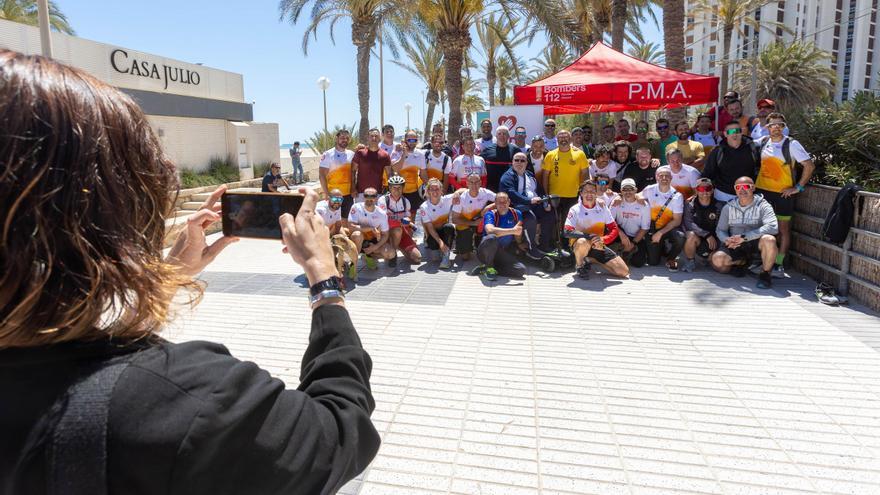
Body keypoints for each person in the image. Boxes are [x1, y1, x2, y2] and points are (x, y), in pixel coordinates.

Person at [0, 51, 379, 495]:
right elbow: (338, 431)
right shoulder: (187, 401)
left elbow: (68, 356)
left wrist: (167, 276)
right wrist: (323, 278)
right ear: (111, 214)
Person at [754, 112, 815, 277]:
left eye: (779, 124)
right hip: (763, 192)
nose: (776, 127)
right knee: (762, 229)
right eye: (772, 124)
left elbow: (809, 166)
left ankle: (779, 264)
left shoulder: (792, 144)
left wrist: (798, 188)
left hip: (783, 195)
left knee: (783, 230)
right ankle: (764, 260)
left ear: (784, 126)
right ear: (767, 127)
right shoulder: (762, 142)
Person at [711, 176, 779, 289]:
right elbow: (720, 230)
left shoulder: (763, 205)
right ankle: (743, 263)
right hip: (736, 243)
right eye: (738, 187)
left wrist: (745, 237)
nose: (742, 190)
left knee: (769, 239)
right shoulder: (728, 207)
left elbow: (773, 227)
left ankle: (765, 274)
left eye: (746, 186)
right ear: (735, 189)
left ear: (753, 188)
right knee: (718, 262)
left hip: (755, 242)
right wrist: (726, 239)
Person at [563, 180, 629, 279]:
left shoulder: (603, 207)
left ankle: (591, 259)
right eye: (586, 191)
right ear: (581, 193)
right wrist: (589, 236)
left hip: (598, 245)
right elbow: (567, 231)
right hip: (581, 244)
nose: (589, 194)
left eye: (592, 191)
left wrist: (603, 240)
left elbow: (614, 229)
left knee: (623, 272)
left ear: (596, 193)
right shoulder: (575, 209)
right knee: (582, 242)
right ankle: (580, 266)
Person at [500, 152, 555, 254]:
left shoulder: (529, 174)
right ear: (512, 162)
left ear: (526, 163)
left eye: (522, 160)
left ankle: (544, 245)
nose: (519, 162)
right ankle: (531, 249)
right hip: (518, 207)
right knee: (530, 218)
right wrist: (529, 200)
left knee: (550, 214)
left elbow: (540, 190)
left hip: (534, 204)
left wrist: (545, 203)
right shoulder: (507, 176)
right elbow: (511, 194)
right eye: (516, 160)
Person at [543, 129, 590, 241]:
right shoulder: (550, 154)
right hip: (554, 196)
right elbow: (545, 176)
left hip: (573, 195)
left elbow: (585, 174)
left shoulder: (579, 154)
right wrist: (546, 194)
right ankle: (553, 244)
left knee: (568, 223)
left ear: (570, 139)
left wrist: (583, 193)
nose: (563, 139)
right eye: (560, 137)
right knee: (553, 221)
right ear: (557, 139)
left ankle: (566, 244)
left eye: (565, 137)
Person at [470, 192, 528, 281]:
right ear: (495, 203)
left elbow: (518, 232)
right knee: (492, 237)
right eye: (499, 202)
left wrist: (519, 242)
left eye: (505, 201)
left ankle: (488, 268)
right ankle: (489, 266)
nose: (502, 204)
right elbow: (490, 230)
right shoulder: (490, 214)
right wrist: (512, 230)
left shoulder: (516, 214)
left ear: (509, 202)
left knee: (521, 270)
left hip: (502, 251)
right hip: (485, 251)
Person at [702, 120, 760, 202]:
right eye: (731, 131)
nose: (734, 134)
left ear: (741, 132)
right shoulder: (718, 151)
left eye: (737, 131)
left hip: (748, 193)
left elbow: (760, 169)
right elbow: (707, 173)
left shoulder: (753, 148)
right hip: (723, 195)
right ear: (725, 134)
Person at [643, 166, 686, 271]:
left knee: (680, 237)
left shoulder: (677, 196)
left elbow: (677, 220)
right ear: (656, 177)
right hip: (652, 228)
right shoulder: (649, 189)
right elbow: (636, 197)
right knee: (653, 262)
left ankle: (670, 259)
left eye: (667, 176)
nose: (664, 178)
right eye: (661, 176)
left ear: (671, 178)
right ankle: (661, 247)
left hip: (668, 228)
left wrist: (660, 233)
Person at [681, 178, 725, 272]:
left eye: (708, 188)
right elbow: (689, 223)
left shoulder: (720, 205)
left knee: (721, 267)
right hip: (699, 238)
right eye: (701, 189)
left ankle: (708, 258)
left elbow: (722, 226)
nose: (704, 192)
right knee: (690, 235)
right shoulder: (689, 205)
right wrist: (706, 234)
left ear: (712, 190)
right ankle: (690, 261)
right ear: (696, 190)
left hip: (714, 240)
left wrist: (714, 239)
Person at [378, 175, 421, 266]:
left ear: (403, 188)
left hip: (402, 233)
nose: (397, 191)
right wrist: (401, 219)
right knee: (397, 230)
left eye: (399, 188)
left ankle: (399, 248)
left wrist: (410, 224)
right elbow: (384, 217)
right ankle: (393, 255)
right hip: (387, 233)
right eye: (394, 188)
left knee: (417, 258)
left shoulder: (406, 202)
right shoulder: (383, 200)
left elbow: (408, 219)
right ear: (389, 188)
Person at [451, 173, 496, 261]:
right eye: (471, 182)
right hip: (464, 224)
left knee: (481, 251)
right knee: (465, 257)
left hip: (479, 223)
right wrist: (472, 223)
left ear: (480, 183)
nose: (474, 184)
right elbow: (454, 219)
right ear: (467, 183)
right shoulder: (461, 197)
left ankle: (477, 240)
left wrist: (487, 207)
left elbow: (501, 199)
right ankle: (459, 239)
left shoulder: (485, 192)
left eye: (476, 182)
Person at [348, 187, 395, 268]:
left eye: (372, 196)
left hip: (372, 240)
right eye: (366, 195)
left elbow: (385, 235)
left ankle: (368, 256)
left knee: (391, 254)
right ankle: (353, 264)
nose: (369, 198)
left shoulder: (382, 213)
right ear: (363, 197)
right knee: (357, 235)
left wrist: (375, 247)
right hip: (359, 239)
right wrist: (370, 228)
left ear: (376, 198)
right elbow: (350, 226)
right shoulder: (356, 207)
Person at [416, 178, 457, 269]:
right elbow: (430, 228)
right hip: (433, 232)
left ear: (441, 190)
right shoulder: (424, 207)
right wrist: (441, 243)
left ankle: (446, 255)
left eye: (437, 189)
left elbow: (464, 191)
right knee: (435, 258)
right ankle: (441, 247)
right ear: (428, 191)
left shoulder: (447, 199)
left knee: (449, 227)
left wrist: (457, 193)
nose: (435, 191)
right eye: (432, 189)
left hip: (444, 230)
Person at [611, 178, 650, 267]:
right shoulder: (616, 202)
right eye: (625, 189)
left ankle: (628, 250)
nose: (628, 192)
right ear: (621, 191)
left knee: (638, 263)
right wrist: (621, 235)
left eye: (631, 189)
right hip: (620, 233)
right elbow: (610, 222)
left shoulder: (644, 204)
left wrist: (633, 243)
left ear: (636, 190)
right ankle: (621, 249)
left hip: (637, 236)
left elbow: (645, 228)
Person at [389, 130, 428, 216]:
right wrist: (404, 155)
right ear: (405, 140)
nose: (412, 142)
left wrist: (429, 187)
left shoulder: (420, 154)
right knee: (398, 219)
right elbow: (395, 169)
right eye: (410, 140)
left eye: (415, 140)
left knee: (411, 219)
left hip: (413, 192)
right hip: (398, 191)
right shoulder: (396, 151)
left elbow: (423, 174)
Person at [319, 129, 356, 216]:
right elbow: (322, 175)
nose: (345, 140)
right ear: (337, 138)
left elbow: (353, 173)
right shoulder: (328, 154)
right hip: (334, 196)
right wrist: (327, 193)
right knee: (333, 222)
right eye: (342, 138)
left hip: (348, 195)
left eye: (347, 138)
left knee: (346, 221)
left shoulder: (351, 154)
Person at [351, 128, 391, 202]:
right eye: (371, 136)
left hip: (378, 194)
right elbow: (353, 171)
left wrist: (390, 190)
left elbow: (389, 174)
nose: (374, 138)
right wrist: (353, 188)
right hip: (360, 193)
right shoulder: (360, 153)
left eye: (376, 136)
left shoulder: (385, 155)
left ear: (380, 138)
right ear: (367, 138)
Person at [480, 125, 521, 192]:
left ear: (508, 136)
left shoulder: (515, 150)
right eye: (499, 134)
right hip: (491, 189)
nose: (502, 136)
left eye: (504, 134)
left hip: (510, 188)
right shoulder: (487, 150)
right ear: (496, 136)